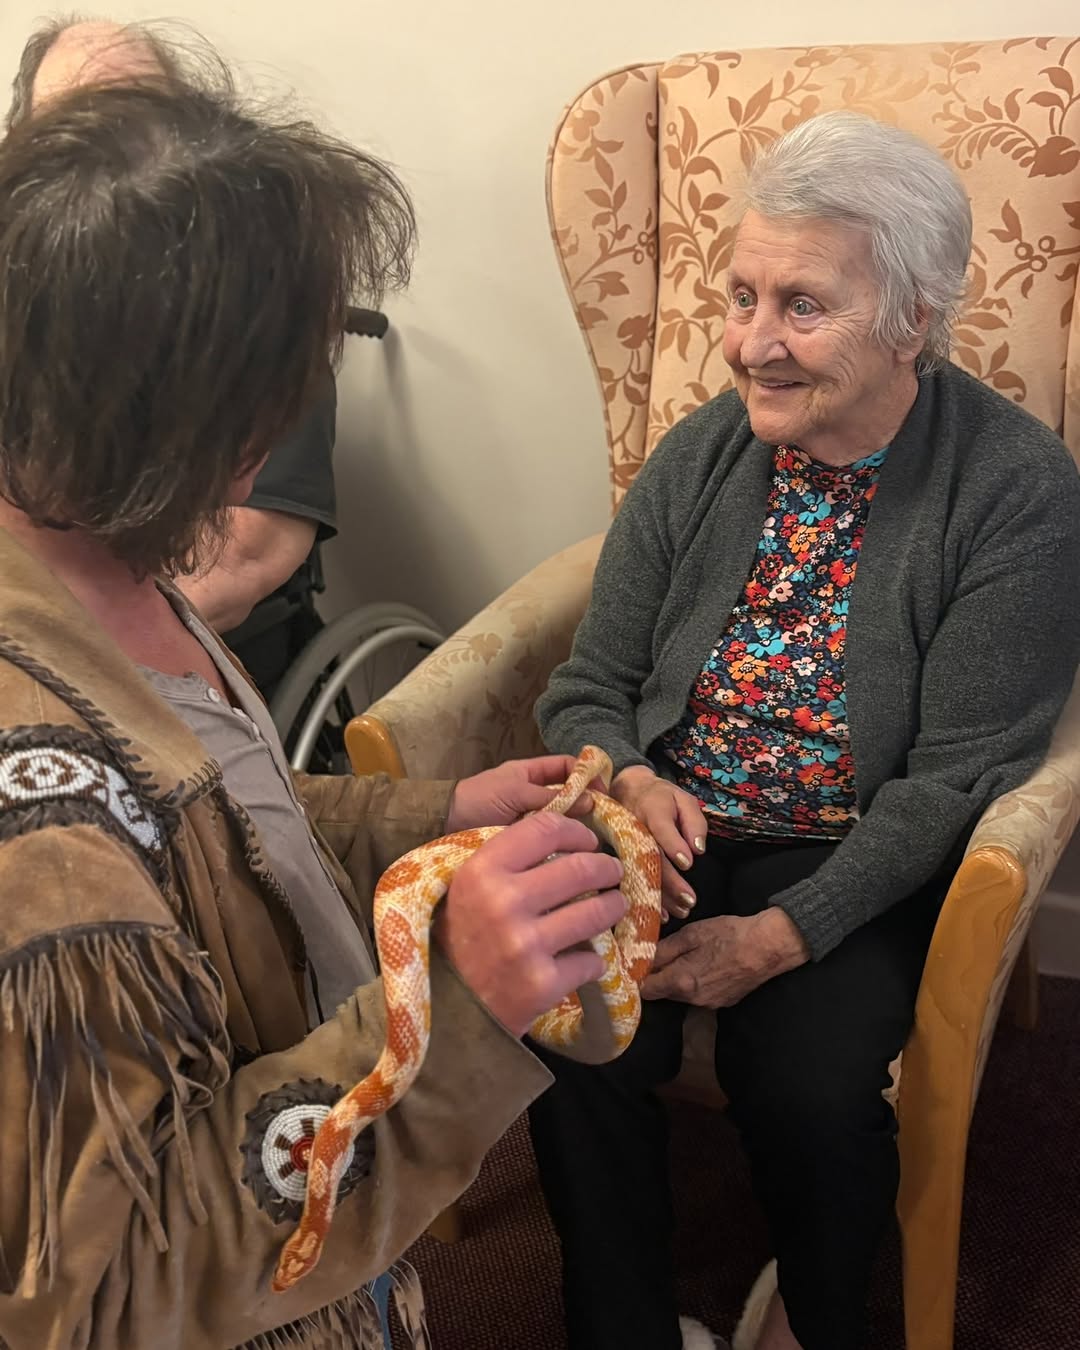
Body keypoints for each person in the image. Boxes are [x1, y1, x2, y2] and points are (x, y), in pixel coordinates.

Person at [0, 53, 628, 1350]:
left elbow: (221, 830)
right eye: (274, 407)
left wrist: (425, 813)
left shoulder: (107, 557)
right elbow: (115, 1293)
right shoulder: (40, 861)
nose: (279, 442)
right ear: (182, 422)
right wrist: (457, 1008)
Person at [530, 111, 1080, 1350]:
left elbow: (954, 782)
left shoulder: (1016, 491)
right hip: (671, 819)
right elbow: (592, 683)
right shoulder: (707, 451)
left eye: (802, 306)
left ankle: (819, 1317)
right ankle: (622, 1328)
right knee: (576, 1026)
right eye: (740, 296)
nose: (750, 346)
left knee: (810, 1087)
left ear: (914, 323)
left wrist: (782, 934)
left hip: (848, 848)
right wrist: (620, 772)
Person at [7, 17, 342, 657]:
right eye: (73, 131)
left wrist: (66, 660)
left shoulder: (255, 321)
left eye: (142, 121)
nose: (112, 161)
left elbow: (238, 562)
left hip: (134, 667)